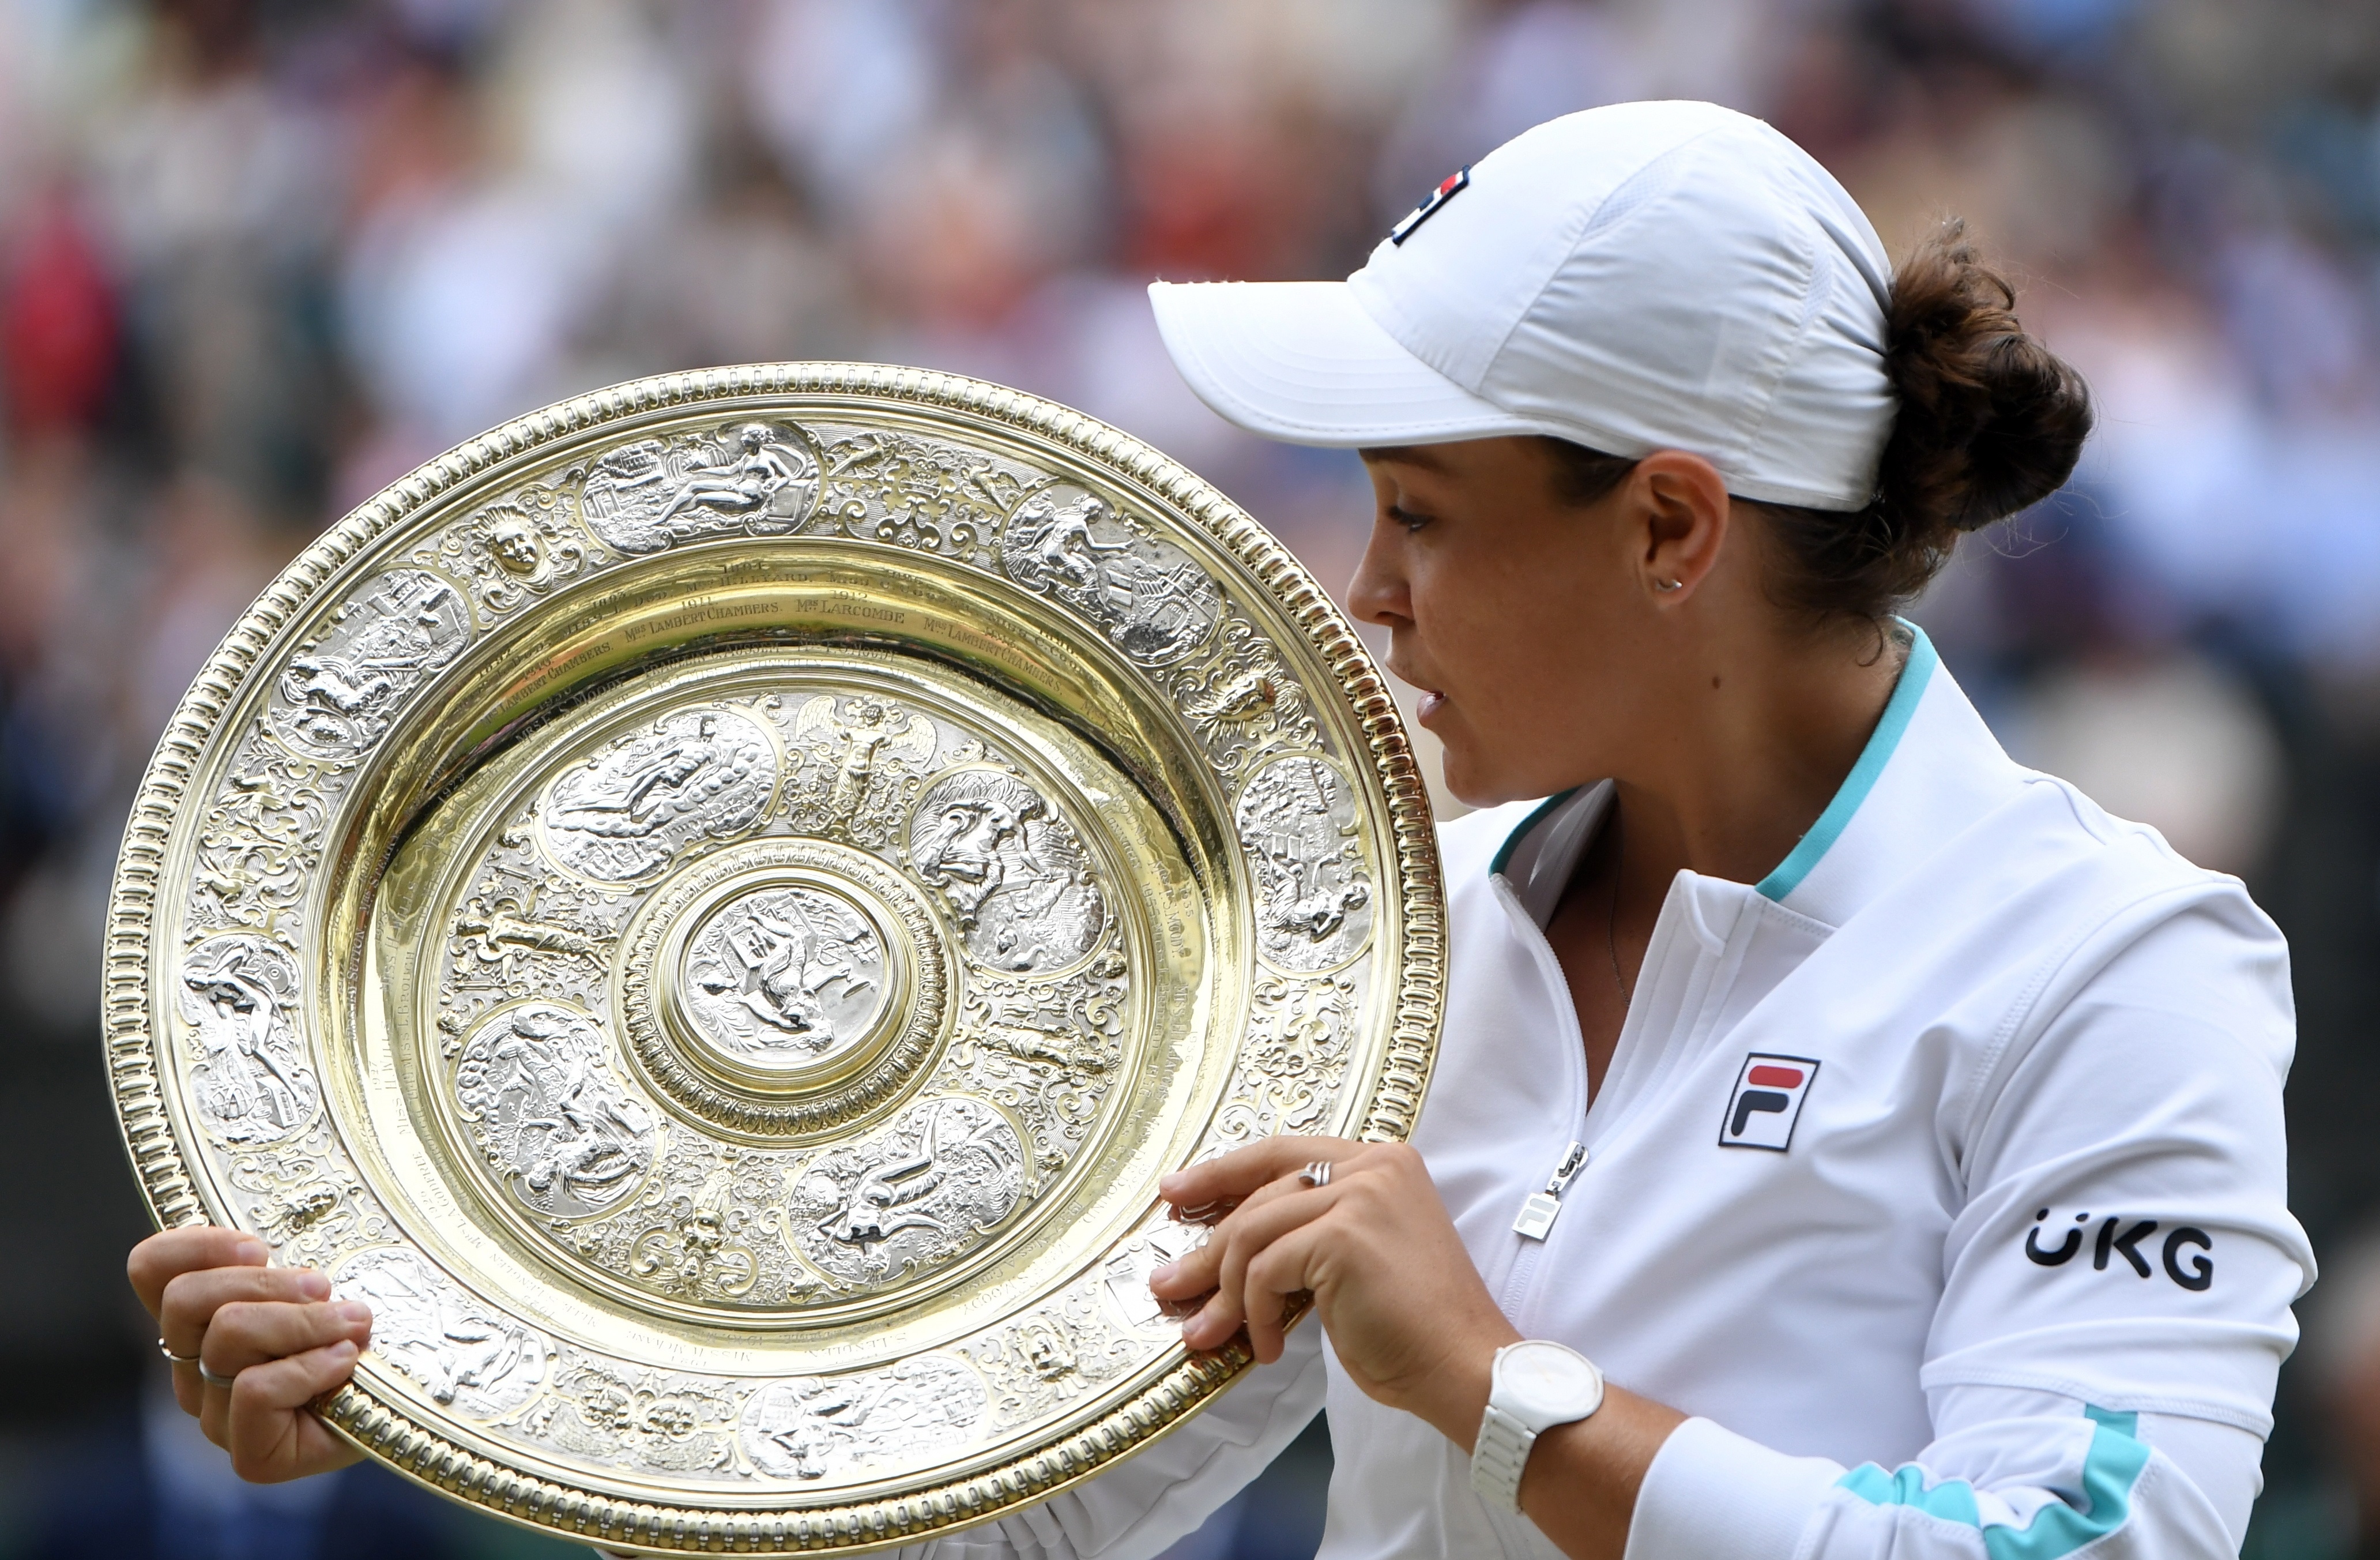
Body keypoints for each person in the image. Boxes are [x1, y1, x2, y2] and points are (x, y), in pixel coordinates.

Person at [127, 102, 2311, 1560]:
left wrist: (1493, 1388)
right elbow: (1022, 1509)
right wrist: (452, 1400)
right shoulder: (1398, 935)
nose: (1365, 598)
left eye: (1422, 521)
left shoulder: (2113, 965)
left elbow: (2086, 1545)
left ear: (1669, 528)